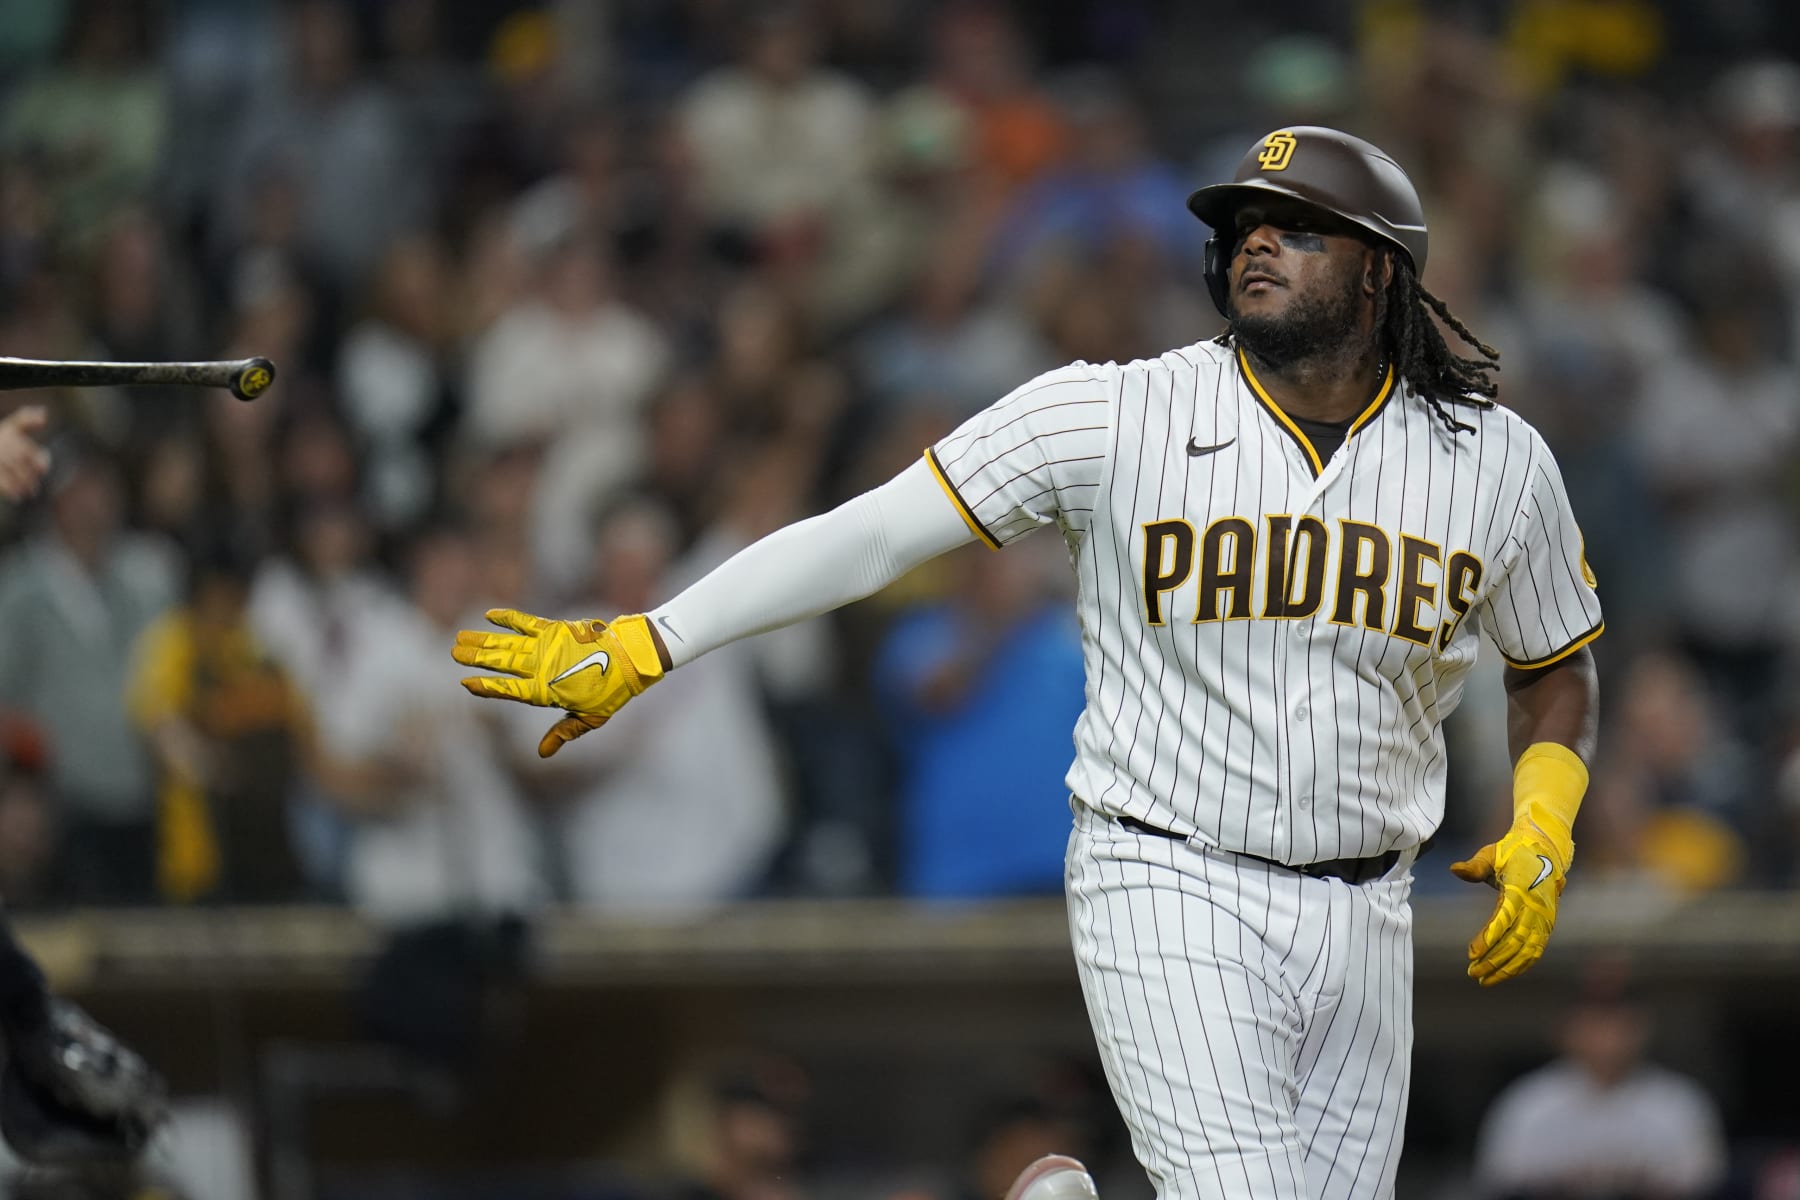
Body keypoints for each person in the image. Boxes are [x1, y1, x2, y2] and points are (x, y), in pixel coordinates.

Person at [455, 127, 1603, 1199]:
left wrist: (1547, 816)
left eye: (1298, 229)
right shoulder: (1114, 414)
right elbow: (874, 532)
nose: (1257, 243)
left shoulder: (1495, 463)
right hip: (1169, 872)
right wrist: (657, 636)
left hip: (1370, 909)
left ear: (1382, 273)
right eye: (1244, 226)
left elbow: (1554, 663)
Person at [0, 405, 166, 1165]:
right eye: (81, 487)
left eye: (104, 485)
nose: (95, 501)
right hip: (57, 806)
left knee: (139, 967)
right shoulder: (21, 590)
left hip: (139, 804)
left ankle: (101, 1100)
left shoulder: (145, 578)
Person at [1472, 967, 1726, 1199]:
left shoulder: (1678, 1104)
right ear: (1566, 1027)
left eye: (1618, 1019)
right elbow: (1501, 1186)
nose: (1607, 1035)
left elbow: (1706, 1186)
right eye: (1595, 1019)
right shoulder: (1528, 1105)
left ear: (1642, 1026)